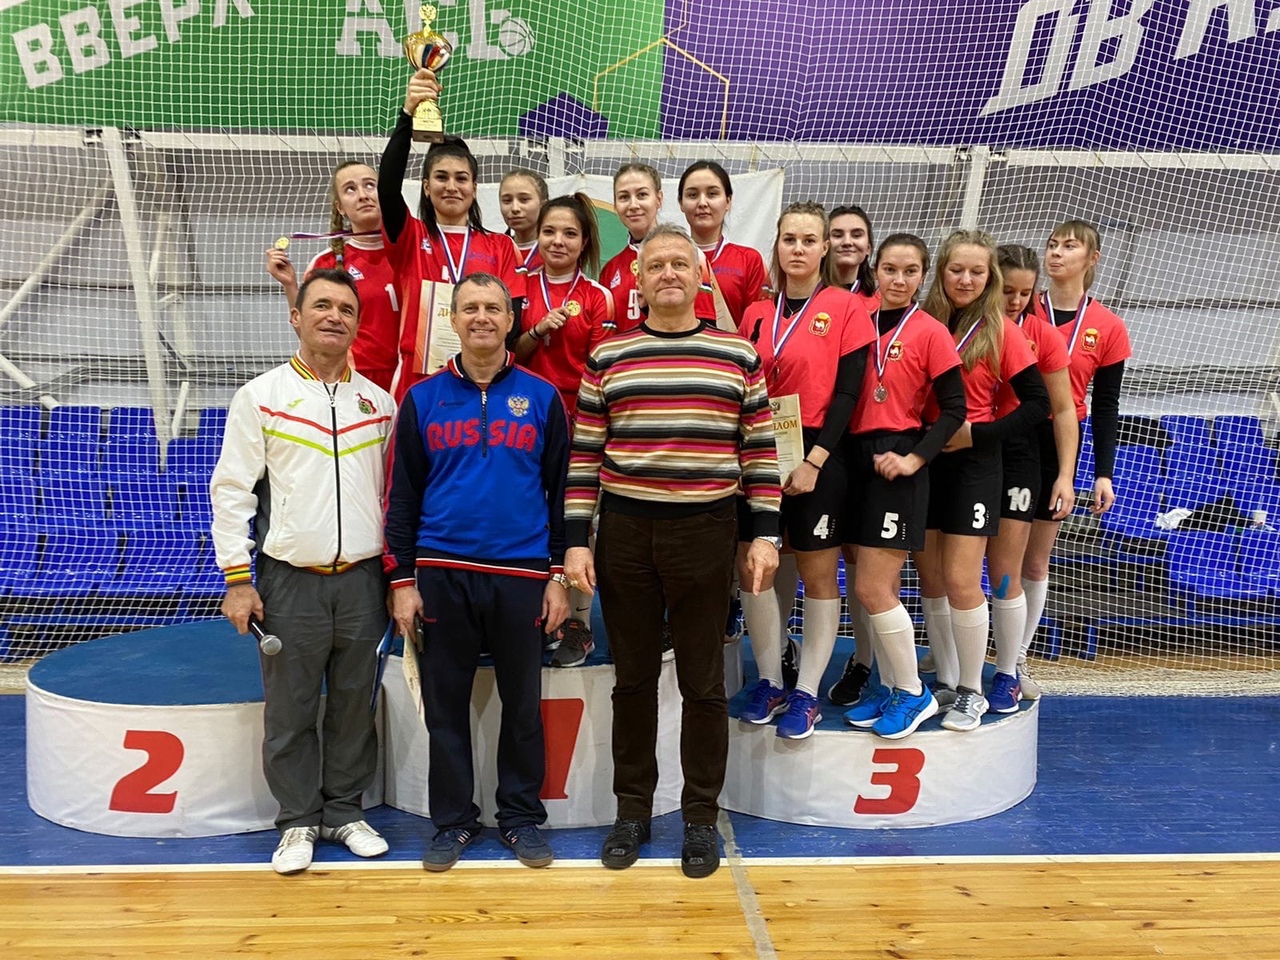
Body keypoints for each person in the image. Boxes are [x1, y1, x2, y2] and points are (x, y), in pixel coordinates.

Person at [563, 224, 781, 878]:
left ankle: (699, 818)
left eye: (679, 264)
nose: (667, 273)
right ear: (637, 278)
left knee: (703, 684)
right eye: (655, 264)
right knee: (631, 681)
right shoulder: (608, 355)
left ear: (699, 275)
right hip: (626, 532)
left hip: (706, 530)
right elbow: (584, 457)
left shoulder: (738, 355)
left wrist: (765, 534)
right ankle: (632, 811)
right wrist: (575, 542)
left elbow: (760, 454)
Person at [210, 269, 395, 875]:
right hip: (289, 580)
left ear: (357, 325)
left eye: (346, 308)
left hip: (363, 580)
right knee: (290, 709)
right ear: (296, 316)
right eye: (321, 305)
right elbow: (232, 491)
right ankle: (295, 821)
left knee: (354, 703)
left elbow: (393, 497)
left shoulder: (380, 403)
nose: (334, 316)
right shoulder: (260, 396)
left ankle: (343, 811)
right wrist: (238, 579)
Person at [386, 273, 571, 873]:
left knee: (523, 706)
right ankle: (453, 822)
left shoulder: (543, 397)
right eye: (470, 308)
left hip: (522, 574)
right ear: (454, 318)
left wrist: (557, 576)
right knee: (446, 708)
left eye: (494, 307)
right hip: (443, 572)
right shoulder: (422, 399)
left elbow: (562, 495)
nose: (482, 317)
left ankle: (520, 818)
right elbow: (402, 496)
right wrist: (402, 580)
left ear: (511, 321)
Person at [736, 202, 873, 740]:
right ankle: (770, 680)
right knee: (756, 569)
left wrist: (815, 461)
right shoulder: (755, 312)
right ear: (777, 245)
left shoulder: (846, 306)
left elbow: (848, 393)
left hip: (819, 452)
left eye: (808, 240)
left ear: (824, 248)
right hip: (760, 449)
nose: (798, 248)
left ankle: (808, 691)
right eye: (789, 239)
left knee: (817, 574)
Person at [914, 231, 1049, 731]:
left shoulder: (1001, 330)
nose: (966, 280)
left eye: (977, 271)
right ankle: (948, 681)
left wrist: (978, 434)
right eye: (957, 270)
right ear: (941, 272)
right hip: (926, 461)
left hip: (976, 466)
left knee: (962, 578)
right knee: (931, 577)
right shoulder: (922, 323)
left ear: (989, 276)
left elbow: (1038, 404)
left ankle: (975, 689)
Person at [839, 234, 966, 740]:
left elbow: (954, 409)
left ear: (923, 276)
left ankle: (914, 692)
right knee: (876, 587)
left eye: (910, 271)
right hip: (852, 455)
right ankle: (892, 685)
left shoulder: (931, 331)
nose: (898, 279)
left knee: (872, 587)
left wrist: (916, 457)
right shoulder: (855, 318)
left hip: (898, 457)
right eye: (890, 269)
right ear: (875, 269)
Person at [1021, 221, 1131, 679]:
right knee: (983, 552)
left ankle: (1016, 657)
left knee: (1035, 559)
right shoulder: (1023, 304)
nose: (1056, 253)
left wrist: (1102, 473)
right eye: (1052, 244)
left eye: (1069, 246)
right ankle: (956, 654)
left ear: (1092, 259)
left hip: (1060, 441)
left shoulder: (1108, 326)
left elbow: (1106, 407)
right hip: (1010, 432)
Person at [379, 69, 525, 400]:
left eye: (461, 178)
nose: (451, 186)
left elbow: (513, 319)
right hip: (417, 379)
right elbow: (386, 189)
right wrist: (407, 115)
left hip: (482, 376)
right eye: (441, 177)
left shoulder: (500, 245)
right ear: (426, 187)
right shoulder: (410, 236)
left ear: (474, 187)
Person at [512, 193, 614, 667]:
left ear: (584, 242)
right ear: (537, 235)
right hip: (522, 420)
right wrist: (535, 332)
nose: (558, 240)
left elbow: (600, 368)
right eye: (549, 231)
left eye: (570, 233)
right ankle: (531, 615)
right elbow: (507, 355)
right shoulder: (518, 287)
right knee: (529, 514)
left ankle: (579, 623)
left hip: (579, 421)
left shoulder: (597, 295)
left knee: (577, 520)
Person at [987, 244, 1077, 702]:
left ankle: (1014, 660)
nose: (1016, 300)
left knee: (1021, 564)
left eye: (1025, 292)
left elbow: (1064, 410)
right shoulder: (966, 327)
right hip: (971, 450)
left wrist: (1066, 475)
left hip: (1027, 452)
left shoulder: (1044, 336)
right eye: (1008, 290)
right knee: (957, 564)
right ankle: (952, 658)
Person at [265, 161, 401, 392]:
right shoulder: (325, 263)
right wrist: (290, 285)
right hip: (354, 380)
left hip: (411, 376)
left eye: (370, 185)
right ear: (340, 208)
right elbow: (308, 332)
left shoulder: (415, 253)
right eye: (350, 189)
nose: (363, 195)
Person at [825, 204, 882, 704]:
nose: (847, 241)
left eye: (856, 234)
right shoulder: (804, 300)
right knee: (811, 558)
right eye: (838, 233)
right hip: (820, 443)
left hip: (869, 444)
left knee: (865, 563)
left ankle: (865, 661)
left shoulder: (887, 302)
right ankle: (789, 656)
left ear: (869, 245)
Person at [678, 160, 769, 327]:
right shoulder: (670, 259)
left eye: (712, 194)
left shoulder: (749, 260)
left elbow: (758, 326)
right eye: (692, 195)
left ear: (728, 201)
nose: (702, 203)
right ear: (680, 203)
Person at [827, 205, 880, 311]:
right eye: (837, 235)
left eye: (856, 235)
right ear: (824, 246)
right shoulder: (809, 296)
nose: (847, 242)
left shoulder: (879, 305)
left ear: (868, 247)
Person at [500, 167, 548, 276]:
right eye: (507, 201)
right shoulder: (495, 251)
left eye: (524, 199)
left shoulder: (555, 251)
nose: (515, 208)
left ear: (543, 205)